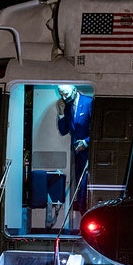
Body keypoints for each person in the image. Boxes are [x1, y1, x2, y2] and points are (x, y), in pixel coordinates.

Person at [56, 85, 92, 215]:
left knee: (85, 188)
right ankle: (84, 219)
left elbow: (97, 128)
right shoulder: (67, 107)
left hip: (90, 153)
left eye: (66, 94)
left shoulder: (89, 102)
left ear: (75, 90)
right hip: (78, 154)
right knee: (80, 188)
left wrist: (86, 142)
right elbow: (64, 130)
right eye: (61, 94)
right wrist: (60, 112)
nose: (64, 97)